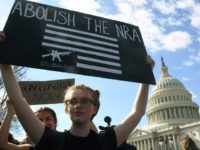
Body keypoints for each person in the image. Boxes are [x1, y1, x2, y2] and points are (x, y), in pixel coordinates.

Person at [0, 31, 155, 150]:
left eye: (85, 101)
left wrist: (145, 76)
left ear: (95, 108)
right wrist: (4, 57)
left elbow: (138, 112)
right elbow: (18, 100)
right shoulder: (50, 140)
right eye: (72, 101)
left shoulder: (107, 141)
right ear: (66, 108)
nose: (78, 105)